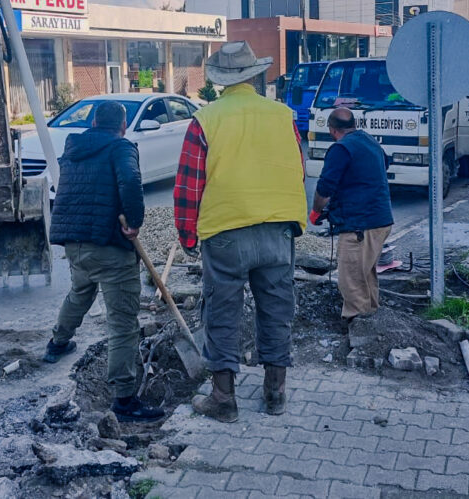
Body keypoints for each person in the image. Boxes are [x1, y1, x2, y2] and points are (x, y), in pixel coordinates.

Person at [174, 41, 306, 423]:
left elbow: (188, 186)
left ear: (220, 82)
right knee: (277, 310)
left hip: (227, 231)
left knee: (223, 311)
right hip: (277, 229)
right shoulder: (283, 116)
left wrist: (187, 238)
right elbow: (297, 170)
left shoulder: (207, 120)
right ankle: (275, 394)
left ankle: (223, 399)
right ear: (253, 75)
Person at [43, 100, 164, 423]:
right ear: (122, 126)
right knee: (122, 321)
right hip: (109, 245)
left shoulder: (74, 147)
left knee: (80, 291)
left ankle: (58, 343)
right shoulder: (121, 147)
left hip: (75, 240)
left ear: (94, 122)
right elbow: (129, 181)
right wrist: (134, 222)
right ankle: (124, 399)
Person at [310, 108, 394, 322]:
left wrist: (316, 211)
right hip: (381, 220)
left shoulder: (341, 149)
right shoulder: (369, 141)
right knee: (365, 273)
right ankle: (373, 318)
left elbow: (325, 187)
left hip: (359, 224)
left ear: (332, 129)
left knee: (350, 279)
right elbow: (383, 164)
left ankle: (360, 328)